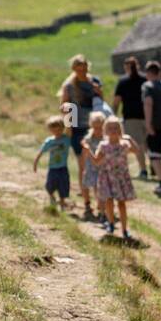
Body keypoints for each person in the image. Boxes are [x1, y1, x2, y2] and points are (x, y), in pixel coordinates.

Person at [58, 55, 103, 217]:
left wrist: (99, 92)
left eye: (84, 69)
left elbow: (101, 104)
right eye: (79, 69)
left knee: (98, 164)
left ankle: (101, 202)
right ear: (74, 69)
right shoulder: (69, 86)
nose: (82, 72)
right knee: (83, 166)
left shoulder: (94, 82)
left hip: (95, 128)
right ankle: (87, 203)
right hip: (77, 129)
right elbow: (63, 106)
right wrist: (67, 111)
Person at [87, 117, 138, 240]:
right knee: (108, 201)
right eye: (110, 128)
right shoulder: (103, 145)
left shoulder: (124, 144)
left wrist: (130, 138)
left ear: (120, 130)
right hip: (107, 177)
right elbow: (96, 161)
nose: (113, 130)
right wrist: (87, 150)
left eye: (116, 128)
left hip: (121, 178)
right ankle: (110, 223)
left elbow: (136, 150)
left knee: (121, 204)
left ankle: (124, 229)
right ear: (105, 130)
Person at [140, 61, 161, 192]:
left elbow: (148, 104)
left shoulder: (147, 87)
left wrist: (148, 124)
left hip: (155, 125)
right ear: (159, 72)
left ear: (148, 73)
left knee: (155, 156)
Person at [34, 115, 72, 209]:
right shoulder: (49, 141)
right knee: (49, 186)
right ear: (50, 130)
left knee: (63, 186)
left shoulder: (66, 139)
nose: (57, 132)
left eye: (59, 130)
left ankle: (62, 204)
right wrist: (35, 163)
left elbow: (69, 128)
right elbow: (41, 152)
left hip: (63, 168)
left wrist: (69, 115)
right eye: (54, 130)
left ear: (63, 128)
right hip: (52, 168)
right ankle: (52, 197)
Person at [80, 110, 108, 226]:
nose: (97, 130)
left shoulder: (105, 139)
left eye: (100, 128)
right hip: (90, 167)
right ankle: (87, 204)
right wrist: (82, 166)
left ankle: (102, 211)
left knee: (99, 190)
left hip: (101, 169)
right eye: (95, 127)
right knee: (85, 185)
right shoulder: (88, 138)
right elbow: (83, 153)